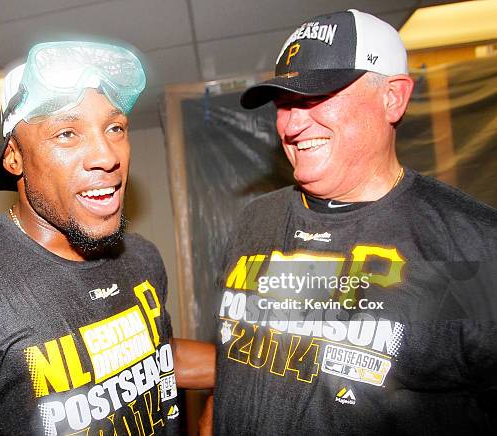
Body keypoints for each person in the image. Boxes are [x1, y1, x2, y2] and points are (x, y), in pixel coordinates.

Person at [0, 40, 214, 435]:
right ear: (14, 157)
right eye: (66, 134)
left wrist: (259, 367)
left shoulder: (142, 257)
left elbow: (151, 358)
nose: (107, 156)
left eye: (115, 128)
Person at [212, 9, 497, 435]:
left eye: (316, 97)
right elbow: (238, 365)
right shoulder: (256, 220)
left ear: (393, 98)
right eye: (284, 103)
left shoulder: (474, 245)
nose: (291, 123)